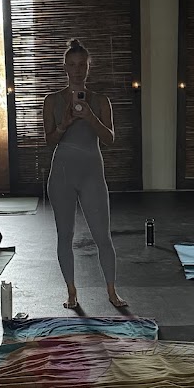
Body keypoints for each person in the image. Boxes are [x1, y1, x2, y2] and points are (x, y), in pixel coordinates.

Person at [43, 38, 127, 310]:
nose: (77, 70)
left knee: (102, 236)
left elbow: (110, 138)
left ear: (89, 67)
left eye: (82, 65)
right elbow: (50, 140)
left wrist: (90, 117)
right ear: (65, 67)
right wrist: (65, 123)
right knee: (65, 235)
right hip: (62, 174)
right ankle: (71, 291)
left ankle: (112, 291)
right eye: (72, 65)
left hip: (92, 173)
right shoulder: (52, 101)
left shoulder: (100, 101)